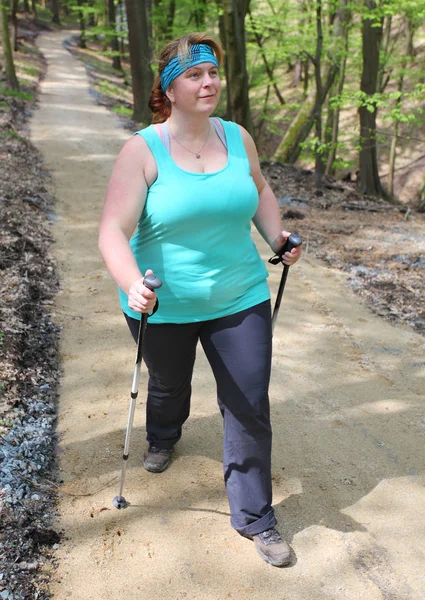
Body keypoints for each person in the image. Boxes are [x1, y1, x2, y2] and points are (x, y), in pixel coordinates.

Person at [98, 32, 302, 568]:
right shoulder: (142, 150)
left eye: (212, 72)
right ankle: (163, 435)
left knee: (248, 402)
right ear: (169, 89)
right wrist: (132, 282)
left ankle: (256, 518)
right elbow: (112, 232)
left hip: (239, 294)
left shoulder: (237, 137)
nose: (208, 82)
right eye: (193, 75)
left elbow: (258, 190)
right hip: (162, 304)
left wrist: (278, 240)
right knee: (169, 382)